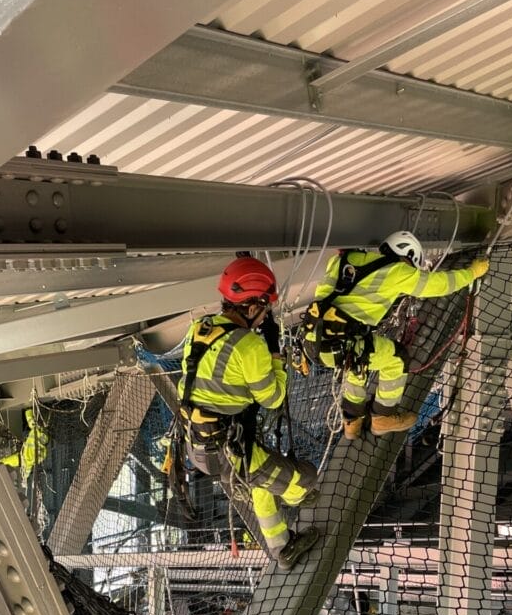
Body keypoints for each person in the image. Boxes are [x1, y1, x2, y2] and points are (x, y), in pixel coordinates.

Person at [178, 256, 319, 571]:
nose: (266, 314)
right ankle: (294, 496)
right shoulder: (249, 347)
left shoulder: (198, 329)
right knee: (307, 483)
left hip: (198, 444)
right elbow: (272, 398)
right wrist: (275, 357)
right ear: (253, 306)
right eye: (265, 308)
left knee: (260, 485)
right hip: (230, 453)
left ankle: (283, 547)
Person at [301, 231, 489, 439]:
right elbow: (439, 284)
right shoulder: (398, 271)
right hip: (340, 343)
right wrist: (471, 273)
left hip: (313, 342)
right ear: (408, 256)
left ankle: (351, 422)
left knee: (359, 360)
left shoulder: (341, 260)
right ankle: (383, 416)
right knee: (396, 358)